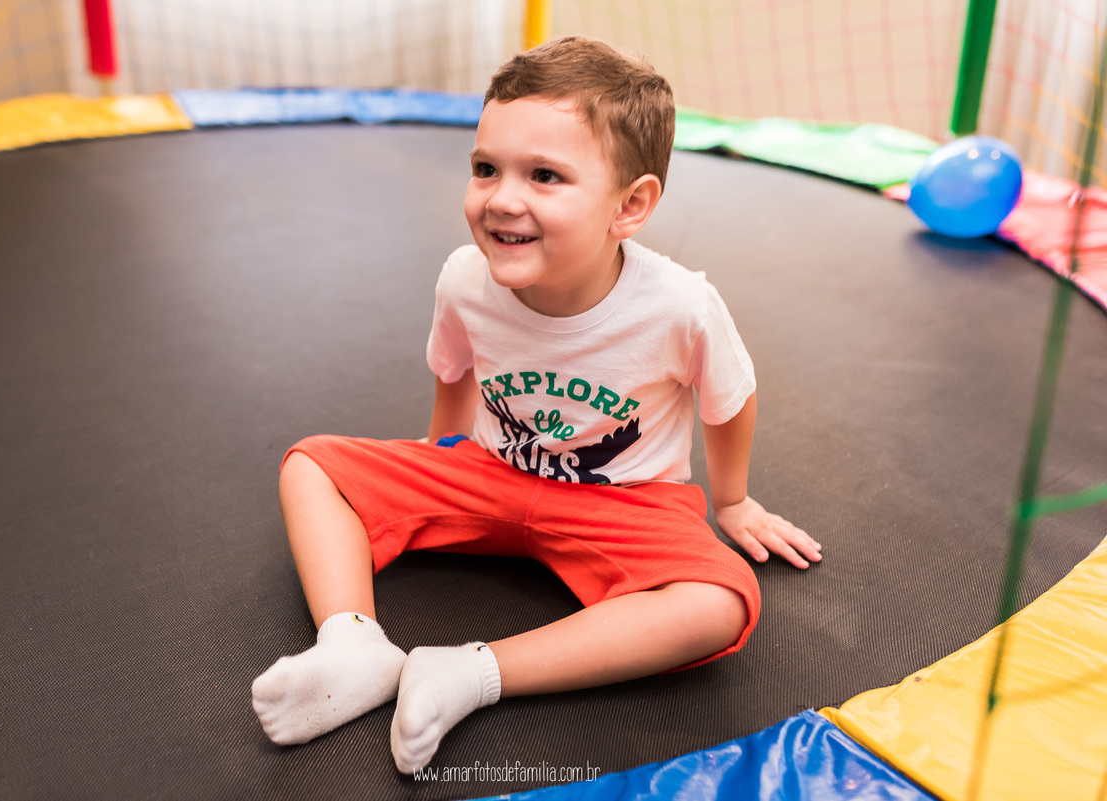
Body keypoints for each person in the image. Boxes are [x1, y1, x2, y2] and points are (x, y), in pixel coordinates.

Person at [251, 35, 822, 774]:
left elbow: (731, 401)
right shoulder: (465, 278)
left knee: (721, 602)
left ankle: (472, 672)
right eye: (486, 168)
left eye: (545, 175)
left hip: (625, 501)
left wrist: (734, 501)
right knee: (312, 464)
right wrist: (437, 457)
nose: (501, 199)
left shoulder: (680, 306)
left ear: (631, 205)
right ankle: (353, 643)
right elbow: (453, 370)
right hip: (491, 473)